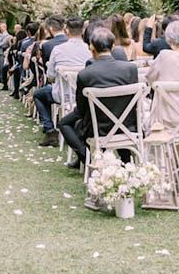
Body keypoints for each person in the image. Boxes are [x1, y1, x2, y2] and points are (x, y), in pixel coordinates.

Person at [58, 27, 139, 169]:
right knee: (119, 113)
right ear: (113, 46)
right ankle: (125, 161)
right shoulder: (130, 69)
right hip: (128, 127)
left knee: (64, 123)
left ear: (92, 48)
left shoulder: (85, 74)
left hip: (98, 129)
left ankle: (88, 159)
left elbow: (81, 111)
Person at [34, 17, 92, 147]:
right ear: (82, 30)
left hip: (63, 95)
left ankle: (50, 130)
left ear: (66, 30)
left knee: (38, 95)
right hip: (84, 95)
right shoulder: (89, 50)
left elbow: (50, 76)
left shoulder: (58, 50)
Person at [0, 21, 12, 89]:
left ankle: (3, 79)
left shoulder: (8, 36)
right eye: (0, 27)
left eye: (2, 27)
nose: (1, 28)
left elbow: (3, 43)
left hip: (2, 51)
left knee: (2, 65)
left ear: (5, 27)